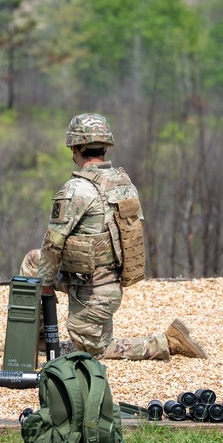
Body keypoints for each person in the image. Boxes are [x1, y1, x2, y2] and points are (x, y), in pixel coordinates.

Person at [34, 113, 207, 360]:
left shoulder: (76, 190)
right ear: (105, 146)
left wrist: (46, 286)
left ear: (75, 147)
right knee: (33, 263)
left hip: (89, 292)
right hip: (109, 285)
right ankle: (38, 341)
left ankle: (165, 342)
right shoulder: (124, 183)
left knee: (94, 351)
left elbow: (52, 244)